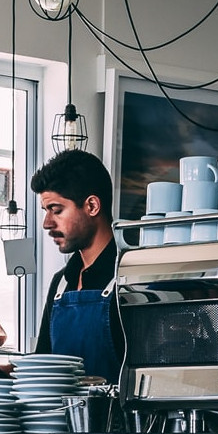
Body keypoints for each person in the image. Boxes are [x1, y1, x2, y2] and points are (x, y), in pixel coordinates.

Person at [30, 150, 125, 380]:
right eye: (46, 211)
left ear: (92, 206)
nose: (46, 223)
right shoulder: (61, 283)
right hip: (61, 416)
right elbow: (43, 365)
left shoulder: (128, 278)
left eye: (57, 210)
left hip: (115, 416)